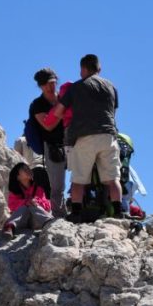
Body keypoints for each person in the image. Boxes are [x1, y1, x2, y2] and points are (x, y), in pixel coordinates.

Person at [53, 54, 122, 221]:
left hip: (84, 136)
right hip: (108, 135)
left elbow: (58, 112)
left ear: (83, 69)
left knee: (79, 179)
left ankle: (76, 214)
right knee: (113, 179)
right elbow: (113, 112)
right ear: (99, 68)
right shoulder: (111, 87)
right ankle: (118, 212)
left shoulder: (76, 87)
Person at [28, 68, 68, 217]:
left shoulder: (63, 98)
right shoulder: (38, 104)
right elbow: (47, 125)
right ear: (40, 86)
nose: (50, 87)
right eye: (46, 84)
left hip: (71, 143)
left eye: (52, 82)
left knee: (80, 179)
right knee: (57, 186)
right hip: (52, 146)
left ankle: (77, 210)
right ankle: (59, 215)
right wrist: (61, 113)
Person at [2, 163, 53, 236]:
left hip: (38, 220)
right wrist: (25, 202)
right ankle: (9, 227)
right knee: (25, 206)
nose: (28, 170)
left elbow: (48, 206)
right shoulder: (15, 191)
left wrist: (36, 202)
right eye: (24, 169)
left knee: (32, 205)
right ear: (18, 177)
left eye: (28, 168)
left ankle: (49, 223)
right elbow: (12, 206)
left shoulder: (38, 188)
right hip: (22, 221)